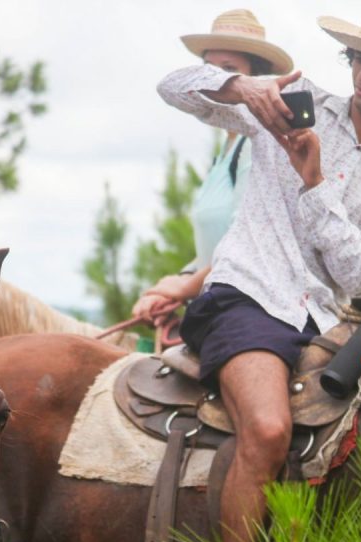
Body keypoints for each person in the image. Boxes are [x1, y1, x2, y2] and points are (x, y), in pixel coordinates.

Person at [157, 0, 361, 542]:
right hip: (245, 297)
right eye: (359, 57)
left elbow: (360, 276)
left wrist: (315, 184)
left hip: (326, 324)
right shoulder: (290, 111)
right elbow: (173, 86)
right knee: (269, 427)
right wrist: (243, 88)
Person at [132, 9, 293, 326]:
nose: (216, 82)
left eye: (229, 70)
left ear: (253, 80)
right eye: (209, 70)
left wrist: (182, 289)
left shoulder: (257, 146)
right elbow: (215, 247)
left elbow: (245, 242)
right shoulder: (227, 149)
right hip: (212, 296)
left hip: (246, 309)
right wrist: (176, 283)